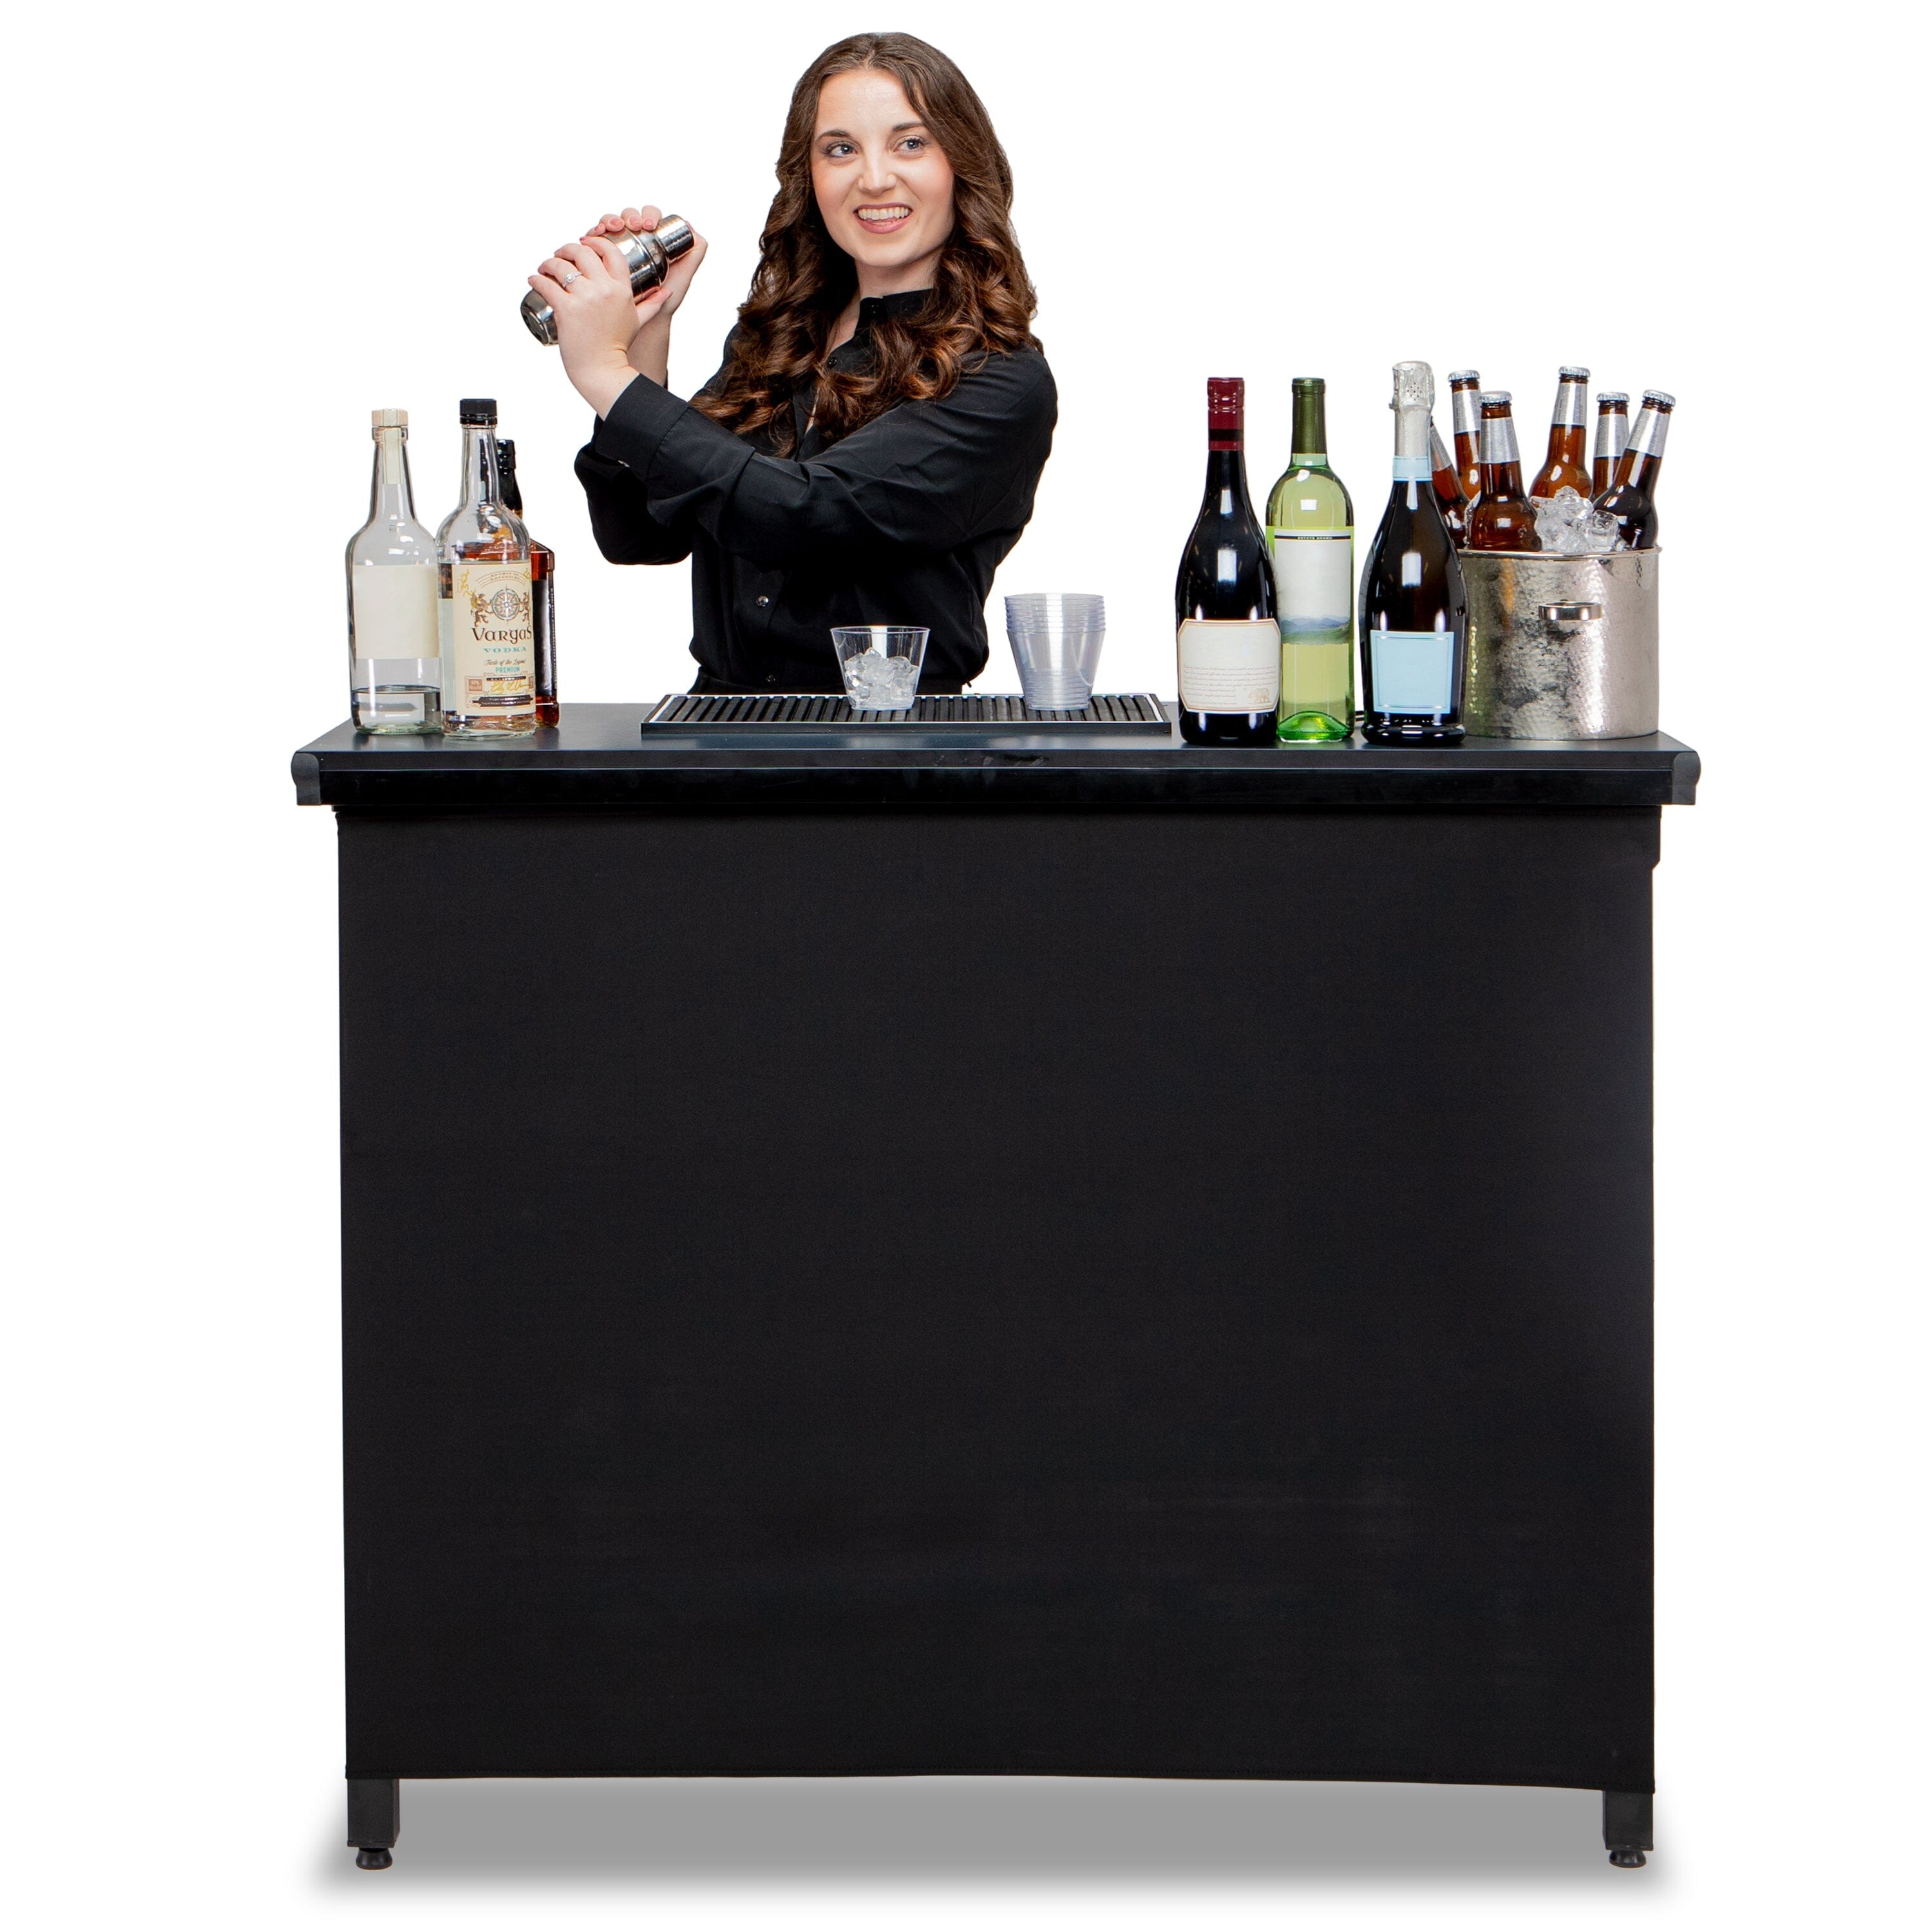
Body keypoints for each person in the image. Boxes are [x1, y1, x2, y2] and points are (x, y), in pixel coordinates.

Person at [530, 32, 1057, 696]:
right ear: (808, 176)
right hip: (724, 738)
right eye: (840, 149)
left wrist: (607, 375)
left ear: (962, 164)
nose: (873, 178)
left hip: (888, 756)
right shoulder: (780, 341)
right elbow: (638, 534)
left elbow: (803, 515)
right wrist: (642, 345)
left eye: (910, 143)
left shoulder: (1000, 379)